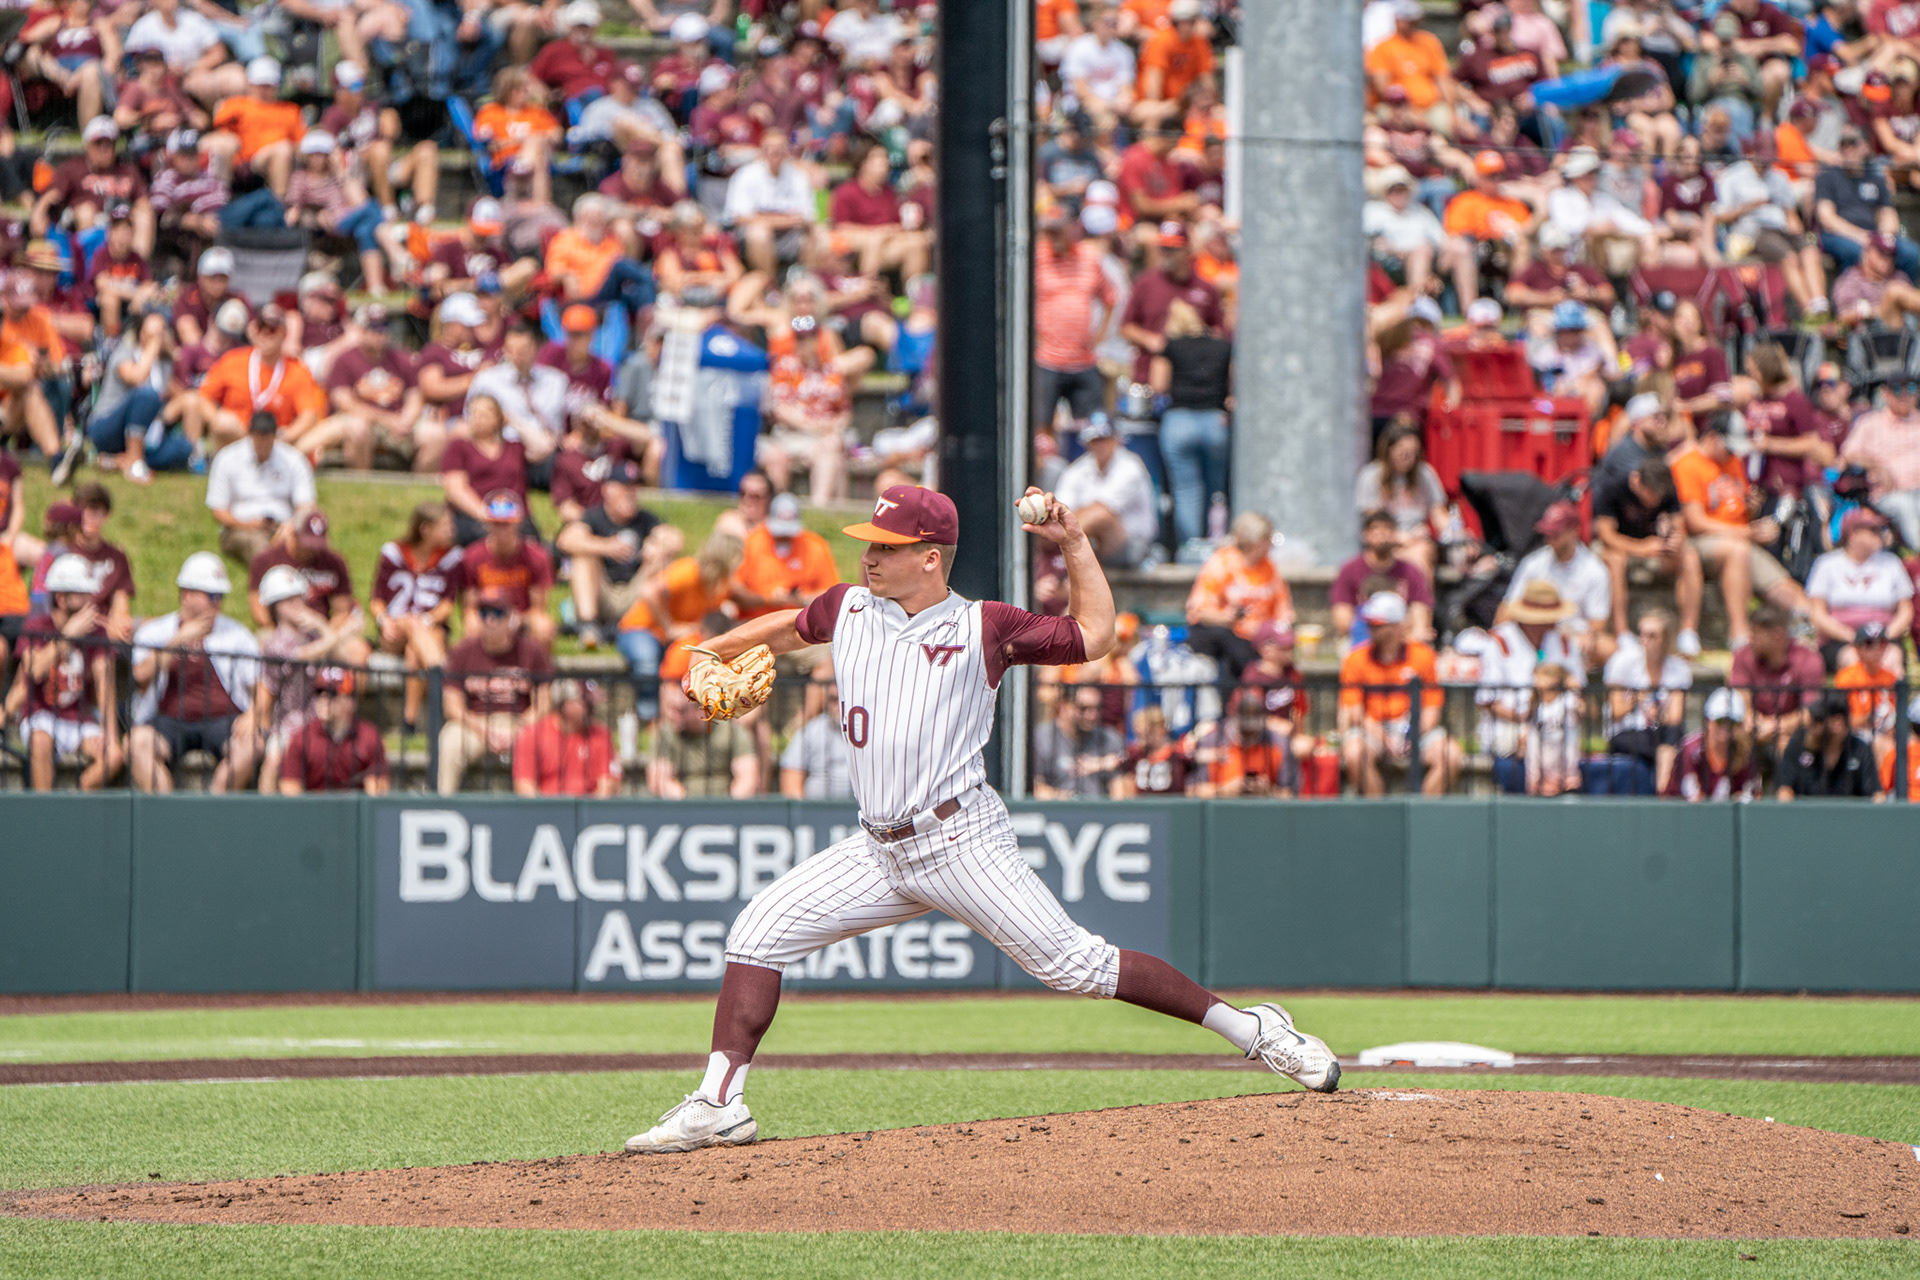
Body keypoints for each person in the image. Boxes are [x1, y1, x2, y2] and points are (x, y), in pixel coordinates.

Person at [622, 481, 1339, 1155]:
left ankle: (1253, 1030)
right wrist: (714, 648)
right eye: (869, 542)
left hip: (959, 840)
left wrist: (1074, 542)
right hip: (878, 850)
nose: (868, 554)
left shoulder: (982, 627)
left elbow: (1095, 637)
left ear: (929, 558)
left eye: (886, 546)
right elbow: (786, 630)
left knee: (1076, 965)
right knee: (759, 929)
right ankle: (720, 1101)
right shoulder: (847, 608)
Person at [128, 552, 261, 794]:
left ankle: (215, 816)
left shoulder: (237, 634)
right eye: (211, 595)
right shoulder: (156, 632)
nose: (217, 602)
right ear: (187, 595)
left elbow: (259, 686)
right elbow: (140, 676)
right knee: (136, 742)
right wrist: (178, 641)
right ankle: (164, 815)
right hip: (168, 720)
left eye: (221, 596)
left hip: (224, 720)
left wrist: (253, 714)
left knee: (252, 744)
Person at [1672, 414, 1806, 648]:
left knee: (1789, 592)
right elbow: (1696, 522)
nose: (1734, 453)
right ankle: (1739, 634)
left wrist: (1753, 510)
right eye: (1730, 446)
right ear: (1713, 438)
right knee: (1737, 551)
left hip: (1741, 538)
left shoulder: (1733, 462)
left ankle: (1806, 632)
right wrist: (1748, 533)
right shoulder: (1687, 464)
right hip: (1703, 542)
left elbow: (1738, 513)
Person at [7, 553, 119, 790]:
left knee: (114, 756)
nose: (90, 600)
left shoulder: (96, 633)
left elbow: (104, 684)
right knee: (40, 741)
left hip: (79, 720)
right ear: (61, 597)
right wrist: (67, 638)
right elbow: (34, 671)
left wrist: (111, 735)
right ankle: (45, 811)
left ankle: (72, 803)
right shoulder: (36, 627)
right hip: (41, 715)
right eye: (81, 594)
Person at [252, 565, 369, 793]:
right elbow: (304, 655)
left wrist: (321, 626)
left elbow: (344, 656)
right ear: (275, 607)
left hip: (323, 719)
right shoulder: (275, 643)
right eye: (288, 601)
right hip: (289, 722)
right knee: (273, 761)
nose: (297, 605)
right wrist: (343, 632)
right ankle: (265, 816)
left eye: (299, 598)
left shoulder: (315, 634)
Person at [1339, 590, 1456, 796]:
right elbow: (1355, 711)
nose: (1371, 629)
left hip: (1414, 727)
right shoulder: (1355, 659)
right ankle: (1381, 817)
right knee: (1355, 753)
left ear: (1396, 627)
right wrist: (1383, 737)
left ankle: (1420, 816)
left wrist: (1411, 735)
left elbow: (1432, 708)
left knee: (1451, 755)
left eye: (1378, 625)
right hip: (1372, 727)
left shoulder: (1423, 656)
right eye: (1370, 623)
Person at [438, 587, 553, 795]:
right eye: (483, 613)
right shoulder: (461, 652)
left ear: (510, 617)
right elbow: (451, 707)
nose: (490, 620)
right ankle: (444, 806)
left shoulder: (531, 651)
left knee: (546, 742)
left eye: (497, 613)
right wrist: (483, 730)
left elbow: (543, 704)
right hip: (475, 723)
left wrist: (518, 730)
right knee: (450, 741)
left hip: (520, 722)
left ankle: (541, 811)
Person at [1476, 580, 1584, 795]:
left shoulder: (1565, 641)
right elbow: (1488, 702)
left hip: (1556, 726)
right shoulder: (1498, 641)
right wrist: (1528, 719)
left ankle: (1562, 789)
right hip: (1510, 726)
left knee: (1559, 739)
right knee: (1533, 741)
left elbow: (1578, 690)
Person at [555, 458, 667, 649]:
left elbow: (675, 538)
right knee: (583, 557)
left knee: (662, 557)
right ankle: (588, 626)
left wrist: (656, 544)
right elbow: (566, 540)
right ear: (608, 490)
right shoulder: (593, 516)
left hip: (635, 591)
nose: (630, 494)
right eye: (625, 488)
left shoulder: (646, 519)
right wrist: (606, 547)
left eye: (634, 488)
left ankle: (645, 622)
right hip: (603, 591)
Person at [617, 532, 745, 695]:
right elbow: (648, 591)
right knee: (647, 662)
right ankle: (648, 715)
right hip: (641, 629)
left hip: (681, 637)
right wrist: (669, 626)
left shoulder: (723, 583)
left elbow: (744, 597)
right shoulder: (688, 571)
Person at [1151, 298, 1232, 556]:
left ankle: (1191, 550)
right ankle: (1215, 546)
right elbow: (1236, 382)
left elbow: (1158, 385)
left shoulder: (1171, 346)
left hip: (1180, 421)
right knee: (1215, 489)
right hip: (1215, 422)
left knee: (1186, 490)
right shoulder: (1222, 346)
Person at [197, 305, 328, 452]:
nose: (266, 333)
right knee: (223, 422)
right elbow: (204, 398)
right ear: (254, 331)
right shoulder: (232, 360)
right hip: (239, 436)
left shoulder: (297, 370)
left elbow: (308, 415)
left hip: (279, 439)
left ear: (284, 334)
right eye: (261, 327)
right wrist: (217, 419)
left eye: (272, 329)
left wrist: (288, 435)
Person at [1033, 206, 1116, 432]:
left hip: (1083, 358)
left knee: (1091, 425)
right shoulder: (1037, 257)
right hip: (1047, 357)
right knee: (1041, 425)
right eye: (1049, 232)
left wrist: (1100, 335)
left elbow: (1109, 298)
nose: (1053, 238)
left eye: (1057, 231)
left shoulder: (1089, 257)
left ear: (1072, 229)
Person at [1501, 501, 1614, 668]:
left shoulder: (1594, 569)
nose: (1549, 539)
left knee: (1610, 648)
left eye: (1555, 534)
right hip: (1532, 631)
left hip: (1573, 636)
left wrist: (1589, 636)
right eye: (1547, 533)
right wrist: (1500, 638)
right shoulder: (1533, 563)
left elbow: (1598, 621)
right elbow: (1507, 607)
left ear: (1573, 532)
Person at [1805, 509, 1913, 672]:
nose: (1880, 534)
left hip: (1884, 639)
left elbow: (1905, 610)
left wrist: (1884, 636)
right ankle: (1857, 699)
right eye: (1872, 530)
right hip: (1840, 640)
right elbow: (1817, 614)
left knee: (1892, 659)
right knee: (1853, 661)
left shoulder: (1892, 563)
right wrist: (1854, 637)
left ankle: (1890, 699)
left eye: (1880, 530)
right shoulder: (1827, 564)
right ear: (1853, 533)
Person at [206, 411, 318, 565]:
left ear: (275, 437)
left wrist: (291, 526)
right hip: (239, 528)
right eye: (259, 439)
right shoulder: (227, 459)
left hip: (283, 525)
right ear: (249, 436)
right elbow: (218, 511)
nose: (263, 445)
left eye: (268, 440)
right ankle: (270, 580)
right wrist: (251, 524)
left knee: (314, 540)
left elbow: (306, 505)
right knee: (260, 546)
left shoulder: (293, 460)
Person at [1600, 607, 1691, 795]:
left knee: (1673, 733)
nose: (1645, 641)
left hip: (1661, 732)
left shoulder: (1679, 669)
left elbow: (1675, 717)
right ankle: (1664, 788)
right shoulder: (1623, 662)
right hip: (1627, 732)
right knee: (1663, 747)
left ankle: (1663, 782)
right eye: (1642, 635)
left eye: (1652, 636)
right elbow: (1615, 711)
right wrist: (1638, 699)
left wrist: (1658, 714)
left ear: (1665, 639)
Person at [1053, 415, 1159, 567]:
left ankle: (1058, 553)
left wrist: (1063, 529)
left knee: (1099, 515)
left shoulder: (1131, 467)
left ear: (1116, 439)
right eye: (1095, 439)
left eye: (1105, 438)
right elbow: (1061, 509)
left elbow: (1103, 511)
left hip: (1133, 544)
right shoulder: (1077, 469)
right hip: (1092, 540)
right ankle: (1057, 554)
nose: (1100, 444)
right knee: (1058, 518)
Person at [460, 491, 557, 651]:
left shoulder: (537, 556)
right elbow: (470, 606)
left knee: (544, 626)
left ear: (518, 523)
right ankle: (477, 672)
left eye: (507, 524)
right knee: (472, 625)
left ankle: (541, 674)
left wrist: (515, 620)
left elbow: (538, 607)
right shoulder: (472, 556)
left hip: (521, 618)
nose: (502, 530)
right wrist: (488, 620)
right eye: (496, 524)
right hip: (488, 616)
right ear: (487, 524)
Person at [274, 667, 388, 796]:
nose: (323, 699)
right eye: (319, 692)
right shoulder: (301, 739)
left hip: (354, 813)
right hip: (312, 812)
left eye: (332, 693)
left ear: (352, 701)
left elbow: (376, 797)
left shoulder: (368, 737)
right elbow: (291, 794)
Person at [467, 322, 568, 466]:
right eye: (511, 349)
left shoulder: (556, 380)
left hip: (554, 449)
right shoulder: (487, 381)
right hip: (508, 450)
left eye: (522, 349)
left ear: (536, 348)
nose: (516, 355)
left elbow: (573, 415)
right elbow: (471, 420)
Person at [1355, 421, 1447, 578]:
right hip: (1384, 541)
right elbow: (1373, 522)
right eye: (1403, 453)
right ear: (1389, 450)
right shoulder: (1371, 476)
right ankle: (1421, 601)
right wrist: (1400, 537)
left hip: (1419, 540)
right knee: (1413, 557)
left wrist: (1455, 535)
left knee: (1420, 553)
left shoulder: (1425, 473)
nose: (1409, 459)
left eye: (1414, 454)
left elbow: (1439, 513)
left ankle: (1419, 601)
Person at [1841, 377, 1920, 549]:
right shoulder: (1870, 422)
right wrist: (1878, 467)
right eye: (1898, 390)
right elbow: (1848, 454)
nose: (1905, 395)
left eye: (1912, 389)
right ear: (1886, 394)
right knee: (1904, 505)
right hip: (1887, 494)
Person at [733, 492, 838, 620]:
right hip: (756, 621)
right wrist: (768, 599)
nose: (783, 536)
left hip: (800, 624)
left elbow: (831, 594)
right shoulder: (752, 542)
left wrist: (802, 599)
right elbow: (735, 592)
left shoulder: (815, 546)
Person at [648, 680, 759, 799]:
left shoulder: (731, 730)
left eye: (680, 711)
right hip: (682, 808)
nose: (672, 716)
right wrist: (688, 806)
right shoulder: (665, 734)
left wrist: (729, 807)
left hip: (724, 805)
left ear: (700, 709)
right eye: (671, 709)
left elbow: (748, 776)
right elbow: (659, 781)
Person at [511, 677, 620, 797]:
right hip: (546, 809)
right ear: (564, 706)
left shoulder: (601, 734)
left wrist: (587, 813)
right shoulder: (531, 735)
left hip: (589, 810)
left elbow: (607, 786)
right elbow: (525, 786)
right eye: (586, 703)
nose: (592, 707)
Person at [65, 484, 134, 644]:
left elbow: (121, 607)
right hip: (71, 625)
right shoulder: (64, 552)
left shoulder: (117, 558)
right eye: (82, 511)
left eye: (95, 512)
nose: (87, 517)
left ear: (106, 515)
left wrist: (120, 625)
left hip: (106, 632)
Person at [1776, 692, 1879, 800]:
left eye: (1818, 720)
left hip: (1849, 816)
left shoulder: (1860, 750)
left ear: (1838, 723)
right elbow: (1784, 791)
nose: (1810, 724)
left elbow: (1876, 795)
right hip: (1806, 815)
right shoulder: (1798, 744)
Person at [1032, 682, 1125, 799]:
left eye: (1097, 708)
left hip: (1100, 813)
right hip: (1056, 811)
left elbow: (1121, 792)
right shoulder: (1041, 738)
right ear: (1063, 706)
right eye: (1083, 708)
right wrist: (1068, 798)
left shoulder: (1109, 738)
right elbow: (1035, 788)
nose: (1092, 715)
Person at [1665, 688, 1759, 802]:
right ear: (1708, 720)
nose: (1726, 727)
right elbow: (1693, 801)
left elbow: (1750, 800)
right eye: (1720, 720)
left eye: (1732, 722)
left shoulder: (1745, 755)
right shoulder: (1690, 751)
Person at [778, 657, 853, 799]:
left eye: (841, 700)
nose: (836, 706)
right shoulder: (811, 731)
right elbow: (791, 780)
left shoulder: (870, 731)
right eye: (832, 699)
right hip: (815, 815)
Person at [1116, 704, 1194, 798]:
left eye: (1143, 735)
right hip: (1142, 808)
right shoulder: (1134, 755)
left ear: (1159, 731)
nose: (1139, 740)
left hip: (1171, 808)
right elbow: (1117, 765)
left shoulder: (1177, 756)